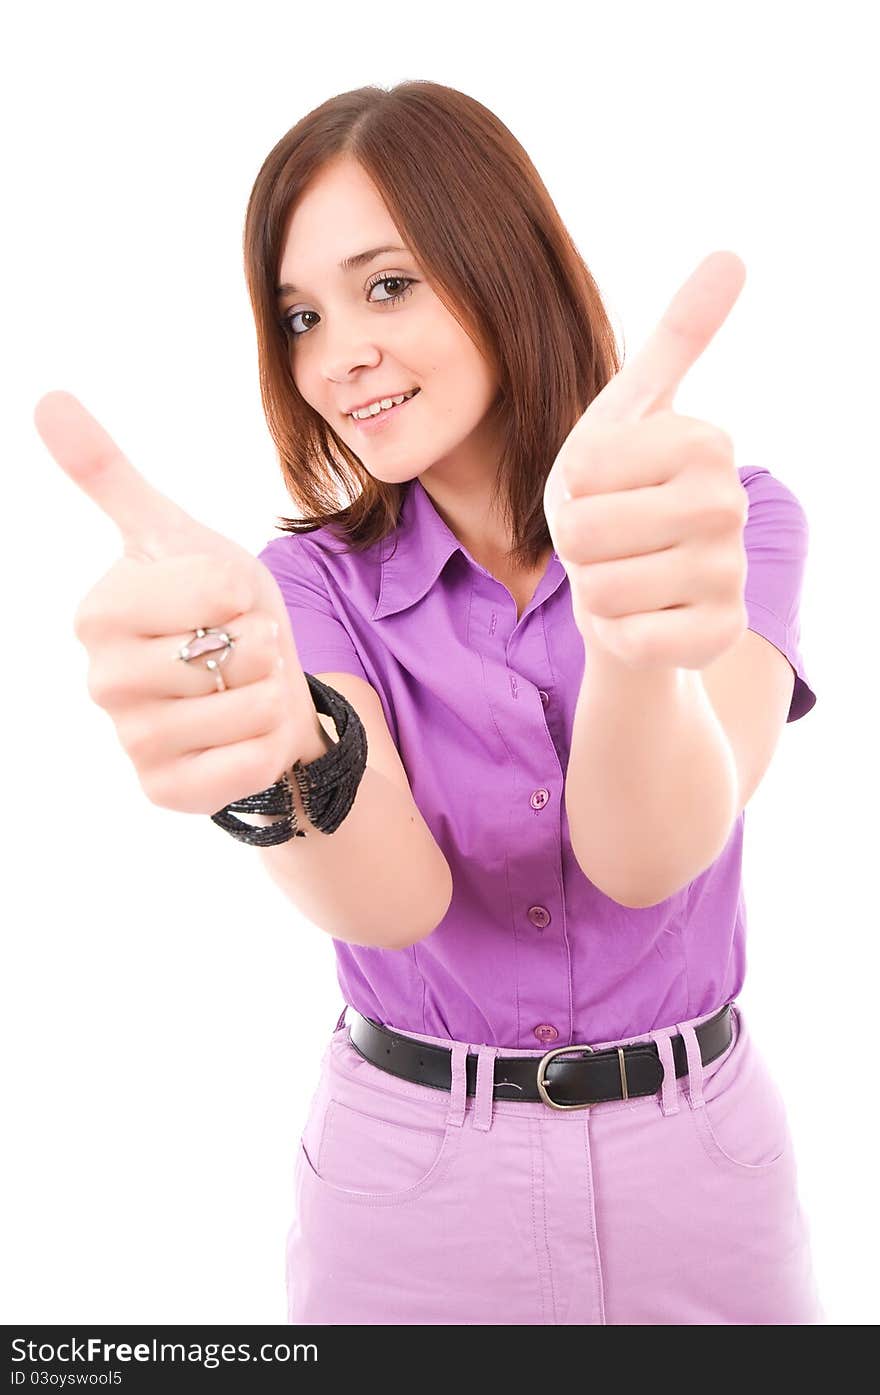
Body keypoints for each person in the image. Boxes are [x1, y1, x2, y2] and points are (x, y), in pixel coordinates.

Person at [36, 81, 824, 1325]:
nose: (337, 352)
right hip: (411, 1180)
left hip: (702, 1170)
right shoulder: (300, 587)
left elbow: (652, 855)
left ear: (505, 266)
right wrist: (282, 743)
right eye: (299, 314)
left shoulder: (722, 517)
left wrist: (622, 636)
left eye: (386, 284)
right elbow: (392, 903)